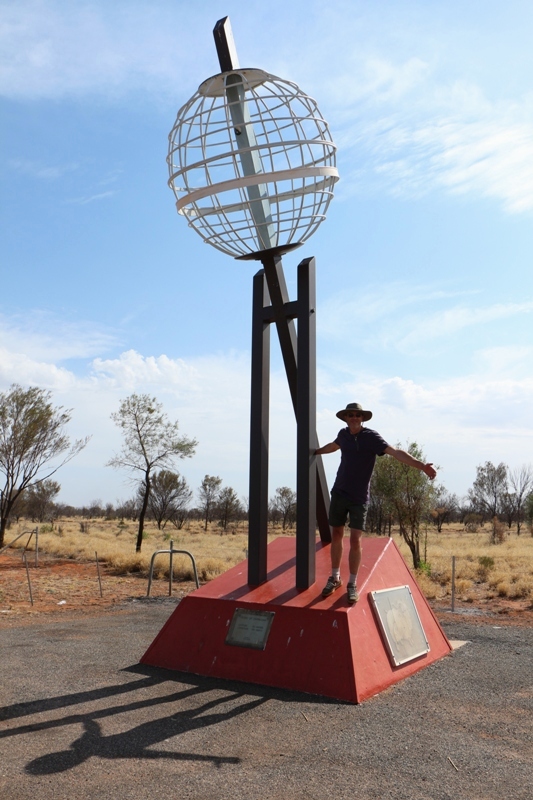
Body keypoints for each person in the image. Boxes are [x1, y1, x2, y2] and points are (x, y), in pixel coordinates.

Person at [315, 402, 437, 605]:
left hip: (358, 497)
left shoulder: (371, 437)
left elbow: (396, 452)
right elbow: (333, 446)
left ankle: (352, 584)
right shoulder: (343, 435)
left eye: (357, 415)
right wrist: (314, 452)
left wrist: (421, 466)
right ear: (345, 418)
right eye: (350, 415)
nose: (353, 417)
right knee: (336, 534)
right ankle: (335, 578)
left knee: (355, 539)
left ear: (362, 418)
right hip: (339, 492)